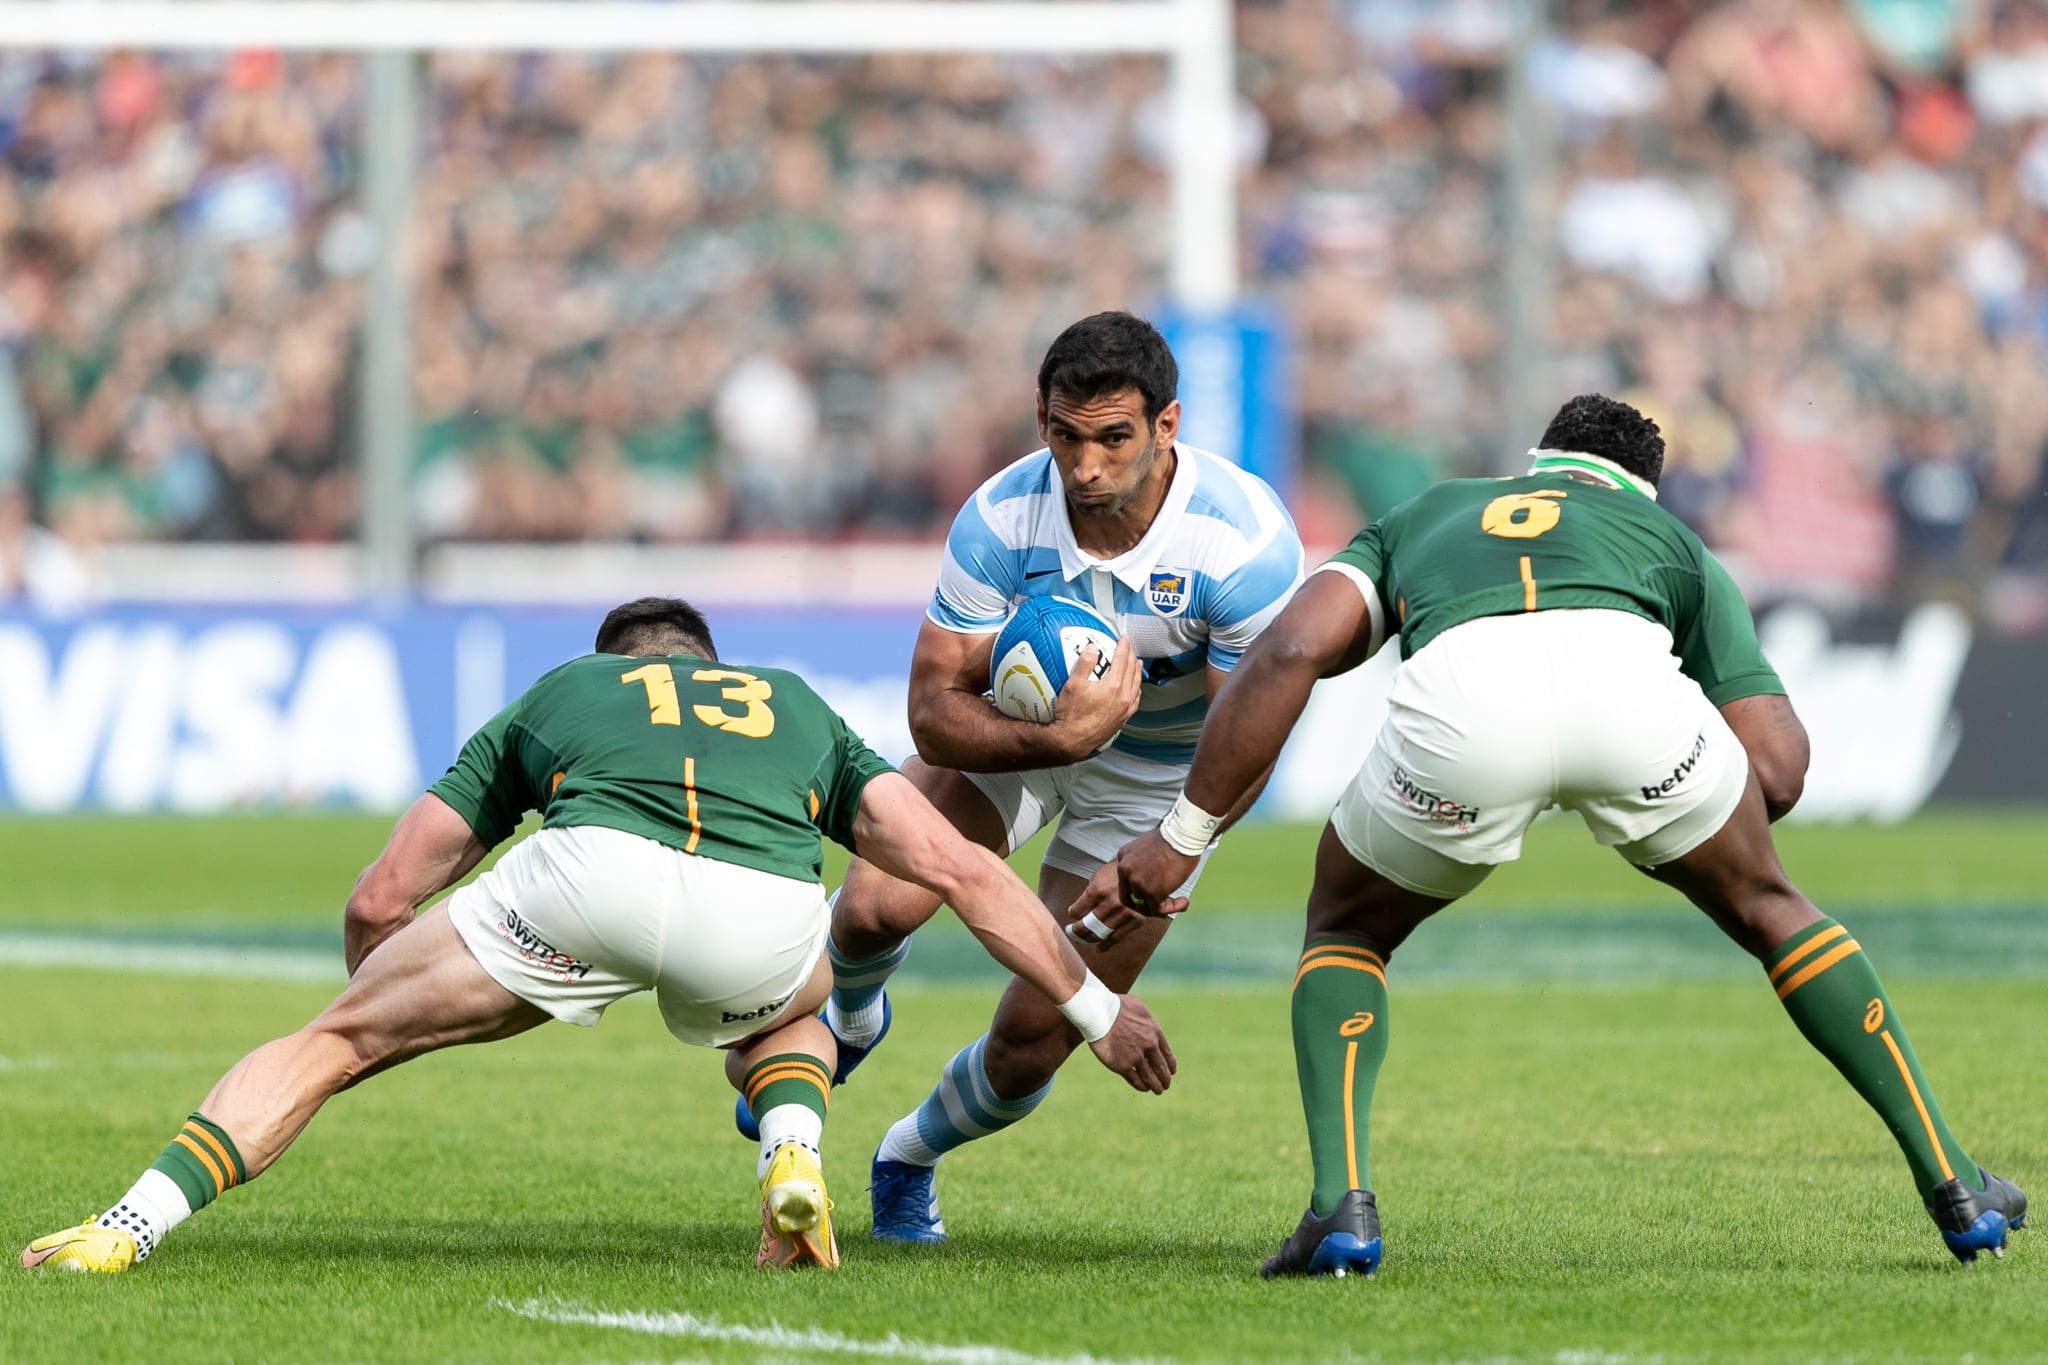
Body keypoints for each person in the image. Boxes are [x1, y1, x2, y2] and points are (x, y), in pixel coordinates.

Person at [1102, 395, 2027, 1276]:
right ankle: (1956, 1183)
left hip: (1460, 714)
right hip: (1632, 704)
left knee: (1347, 925)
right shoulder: (1674, 541)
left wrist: (1184, 833)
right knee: (1773, 907)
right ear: (1639, 489)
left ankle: (1341, 1208)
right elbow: (1781, 770)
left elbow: (1294, 649)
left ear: (1537, 468)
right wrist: (1686, 809)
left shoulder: (1431, 512)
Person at [20, 596, 1176, 1275]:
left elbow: (385, 891)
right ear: (709, 665)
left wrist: (384, 1009)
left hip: (579, 888)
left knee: (327, 1045)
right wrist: (1096, 1011)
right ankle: (790, 1152)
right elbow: (965, 872)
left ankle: (128, 1227)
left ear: (614, 662)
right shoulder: (795, 707)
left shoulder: (564, 691)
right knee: (796, 1001)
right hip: (758, 916)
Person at [747, 311, 1303, 1244]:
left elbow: (1251, 732)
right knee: (874, 902)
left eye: (1114, 438)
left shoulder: (1242, 544)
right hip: (1019, 740)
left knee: (1034, 1041)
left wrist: (1174, 845)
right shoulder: (1003, 515)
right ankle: (848, 1023)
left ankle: (908, 1155)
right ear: (1041, 418)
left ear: (1167, 426)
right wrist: (1060, 740)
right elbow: (930, 710)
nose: (1085, 467)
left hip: (1160, 787)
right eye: (1065, 435)